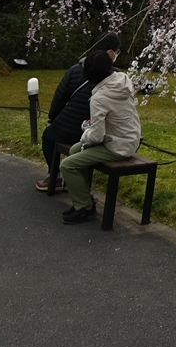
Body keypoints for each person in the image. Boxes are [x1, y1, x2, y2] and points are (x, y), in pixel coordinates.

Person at [59, 33, 142, 224]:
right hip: (129, 138)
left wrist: (85, 132)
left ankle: (85, 207)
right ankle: (83, 199)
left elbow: (96, 136)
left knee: (67, 164)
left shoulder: (99, 97)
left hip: (118, 147)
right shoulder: (121, 80)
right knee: (73, 151)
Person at [35, 54, 90, 194]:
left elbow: (60, 97)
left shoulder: (76, 70)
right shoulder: (116, 74)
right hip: (100, 132)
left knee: (49, 135)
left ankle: (55, 176)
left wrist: (53, 117)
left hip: (73, 130)